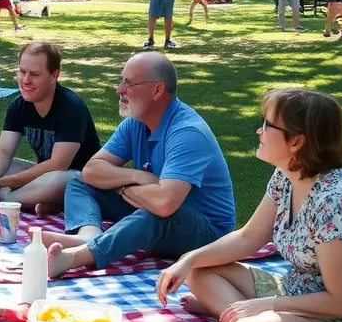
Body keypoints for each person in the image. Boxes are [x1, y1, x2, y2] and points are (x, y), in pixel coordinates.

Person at [141, 89, 342, 322]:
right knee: (199, 270)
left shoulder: (337, 200)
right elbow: (249, 237)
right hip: (296, 291)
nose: (259, 131)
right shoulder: (287, 175)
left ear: (296, 141)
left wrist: (266, 306)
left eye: (268, 125)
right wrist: (189, 259)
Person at [44, 53, 236, 279]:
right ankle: (88, 236)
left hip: (206, 234)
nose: (119, 89)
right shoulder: (136, 123)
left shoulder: (188, 132)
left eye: (129, 83)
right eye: (121, 81)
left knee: (154, 216)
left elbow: (164, 204)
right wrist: (136, 176)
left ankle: (75, 257)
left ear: (157, 90)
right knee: (79, 182)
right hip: (152, 204)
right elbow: (91, 171)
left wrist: (121, 187)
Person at [0, 42, 101, 215]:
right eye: (22, 72)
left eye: (35, 74)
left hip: (75, 178)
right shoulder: (19, 105)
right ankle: (36, 201)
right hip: (41, 176)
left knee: (60, 180)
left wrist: (1, 182)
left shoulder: (71, 107)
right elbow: (4, 150)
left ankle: (2, 199)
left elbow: (58, 164)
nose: (26, 80)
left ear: (54, 76)